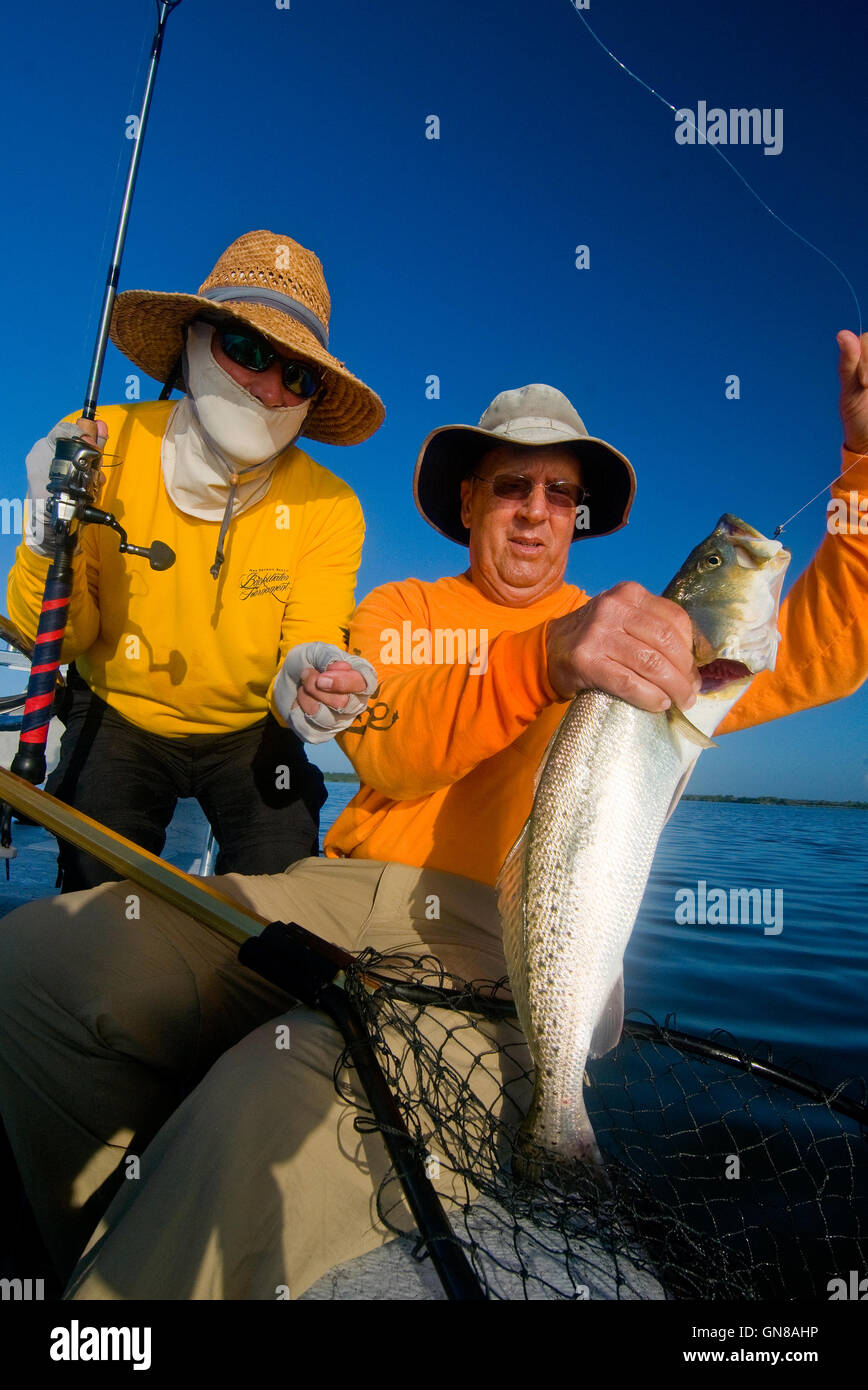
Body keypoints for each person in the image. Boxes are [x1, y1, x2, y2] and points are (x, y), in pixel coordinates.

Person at [0, 333, 866, 1300]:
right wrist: (542, 660)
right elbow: (388, 745)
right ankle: (88, 1238)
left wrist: (863, 467)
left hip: (491, 937)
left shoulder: (649, 650)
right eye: (510, 486)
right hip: (325, 896)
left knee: (255, 1109)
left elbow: (835, 638)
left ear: (581, 519)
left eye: (559, 494)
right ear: (467, 502)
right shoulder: (398, 609)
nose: (536, 512)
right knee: (34, 965)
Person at [5, 230, 382, 888]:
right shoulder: (100, 445)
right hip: (117, 711)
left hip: (247, 730)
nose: (269, 387)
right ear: (191, 344)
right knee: (97, 890)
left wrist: (310, 685)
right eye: (246, 349)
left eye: (297, 373)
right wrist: (46, 534)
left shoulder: (332, 505)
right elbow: (64, 637)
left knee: (282, 892)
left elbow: (309, 640)